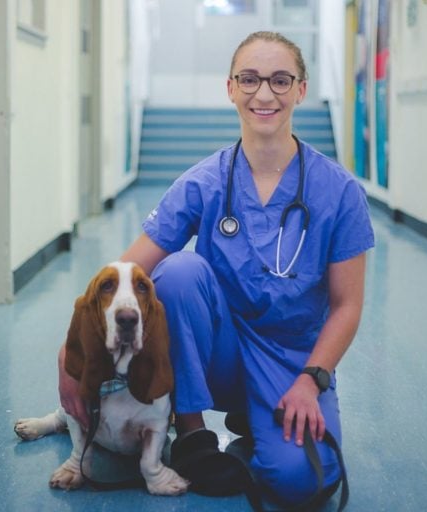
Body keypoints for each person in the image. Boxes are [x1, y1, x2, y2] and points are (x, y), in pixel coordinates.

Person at [59, 31, 374, 509]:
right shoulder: (203, 182)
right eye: (249, 79)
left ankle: (258, 427)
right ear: (230, 88)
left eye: (280, 80)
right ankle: (192, 436)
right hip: (214, 349)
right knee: (177, 272)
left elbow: (347, 306)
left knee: (302, 483)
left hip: (291, 361)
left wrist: (312, 380)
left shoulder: (340, 192)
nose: (264, 94)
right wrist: (71, 353)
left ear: (301, 89)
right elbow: (123, 275)